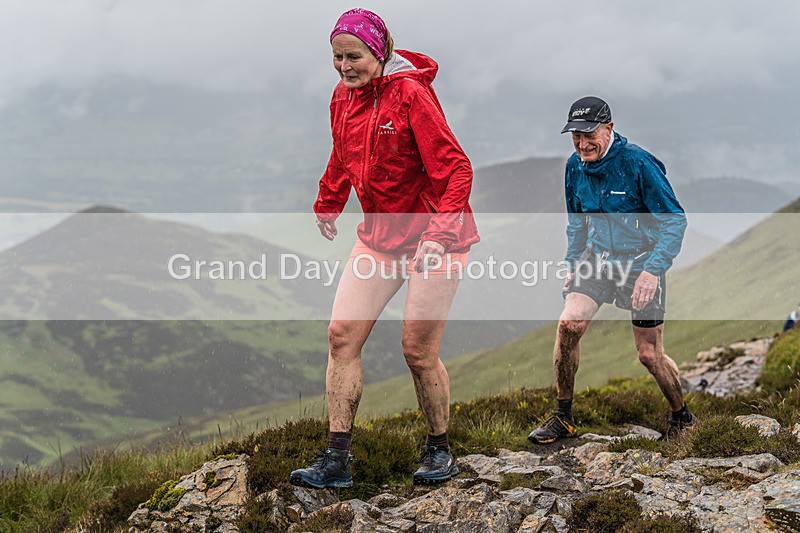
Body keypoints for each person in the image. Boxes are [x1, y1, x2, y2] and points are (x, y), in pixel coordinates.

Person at [289, 8, 479, 489]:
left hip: (438, 238)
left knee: (417, 351)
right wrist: (328, 199)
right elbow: (341, 149)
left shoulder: (411, 95)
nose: (344, 67)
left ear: (380, 52)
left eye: (353, 57)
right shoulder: (342, 97)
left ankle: (439, 450)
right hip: (380, 237)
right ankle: (336, 460)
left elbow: (457, 169)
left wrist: (437, 236)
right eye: (336, 57)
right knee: (340, 336)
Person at [528, 96, 695, 444]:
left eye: (590, 134)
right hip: (599, 259)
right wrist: (573, 263)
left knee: (649, 354)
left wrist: (653, 270)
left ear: (609, 128)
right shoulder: (574, 167)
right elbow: (576, 222)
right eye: (575, 135)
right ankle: (563, 417)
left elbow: (674, 221)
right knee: (569, 325)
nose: (582, 143)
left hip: (641, 262)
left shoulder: (638, 164)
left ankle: (683, 418)